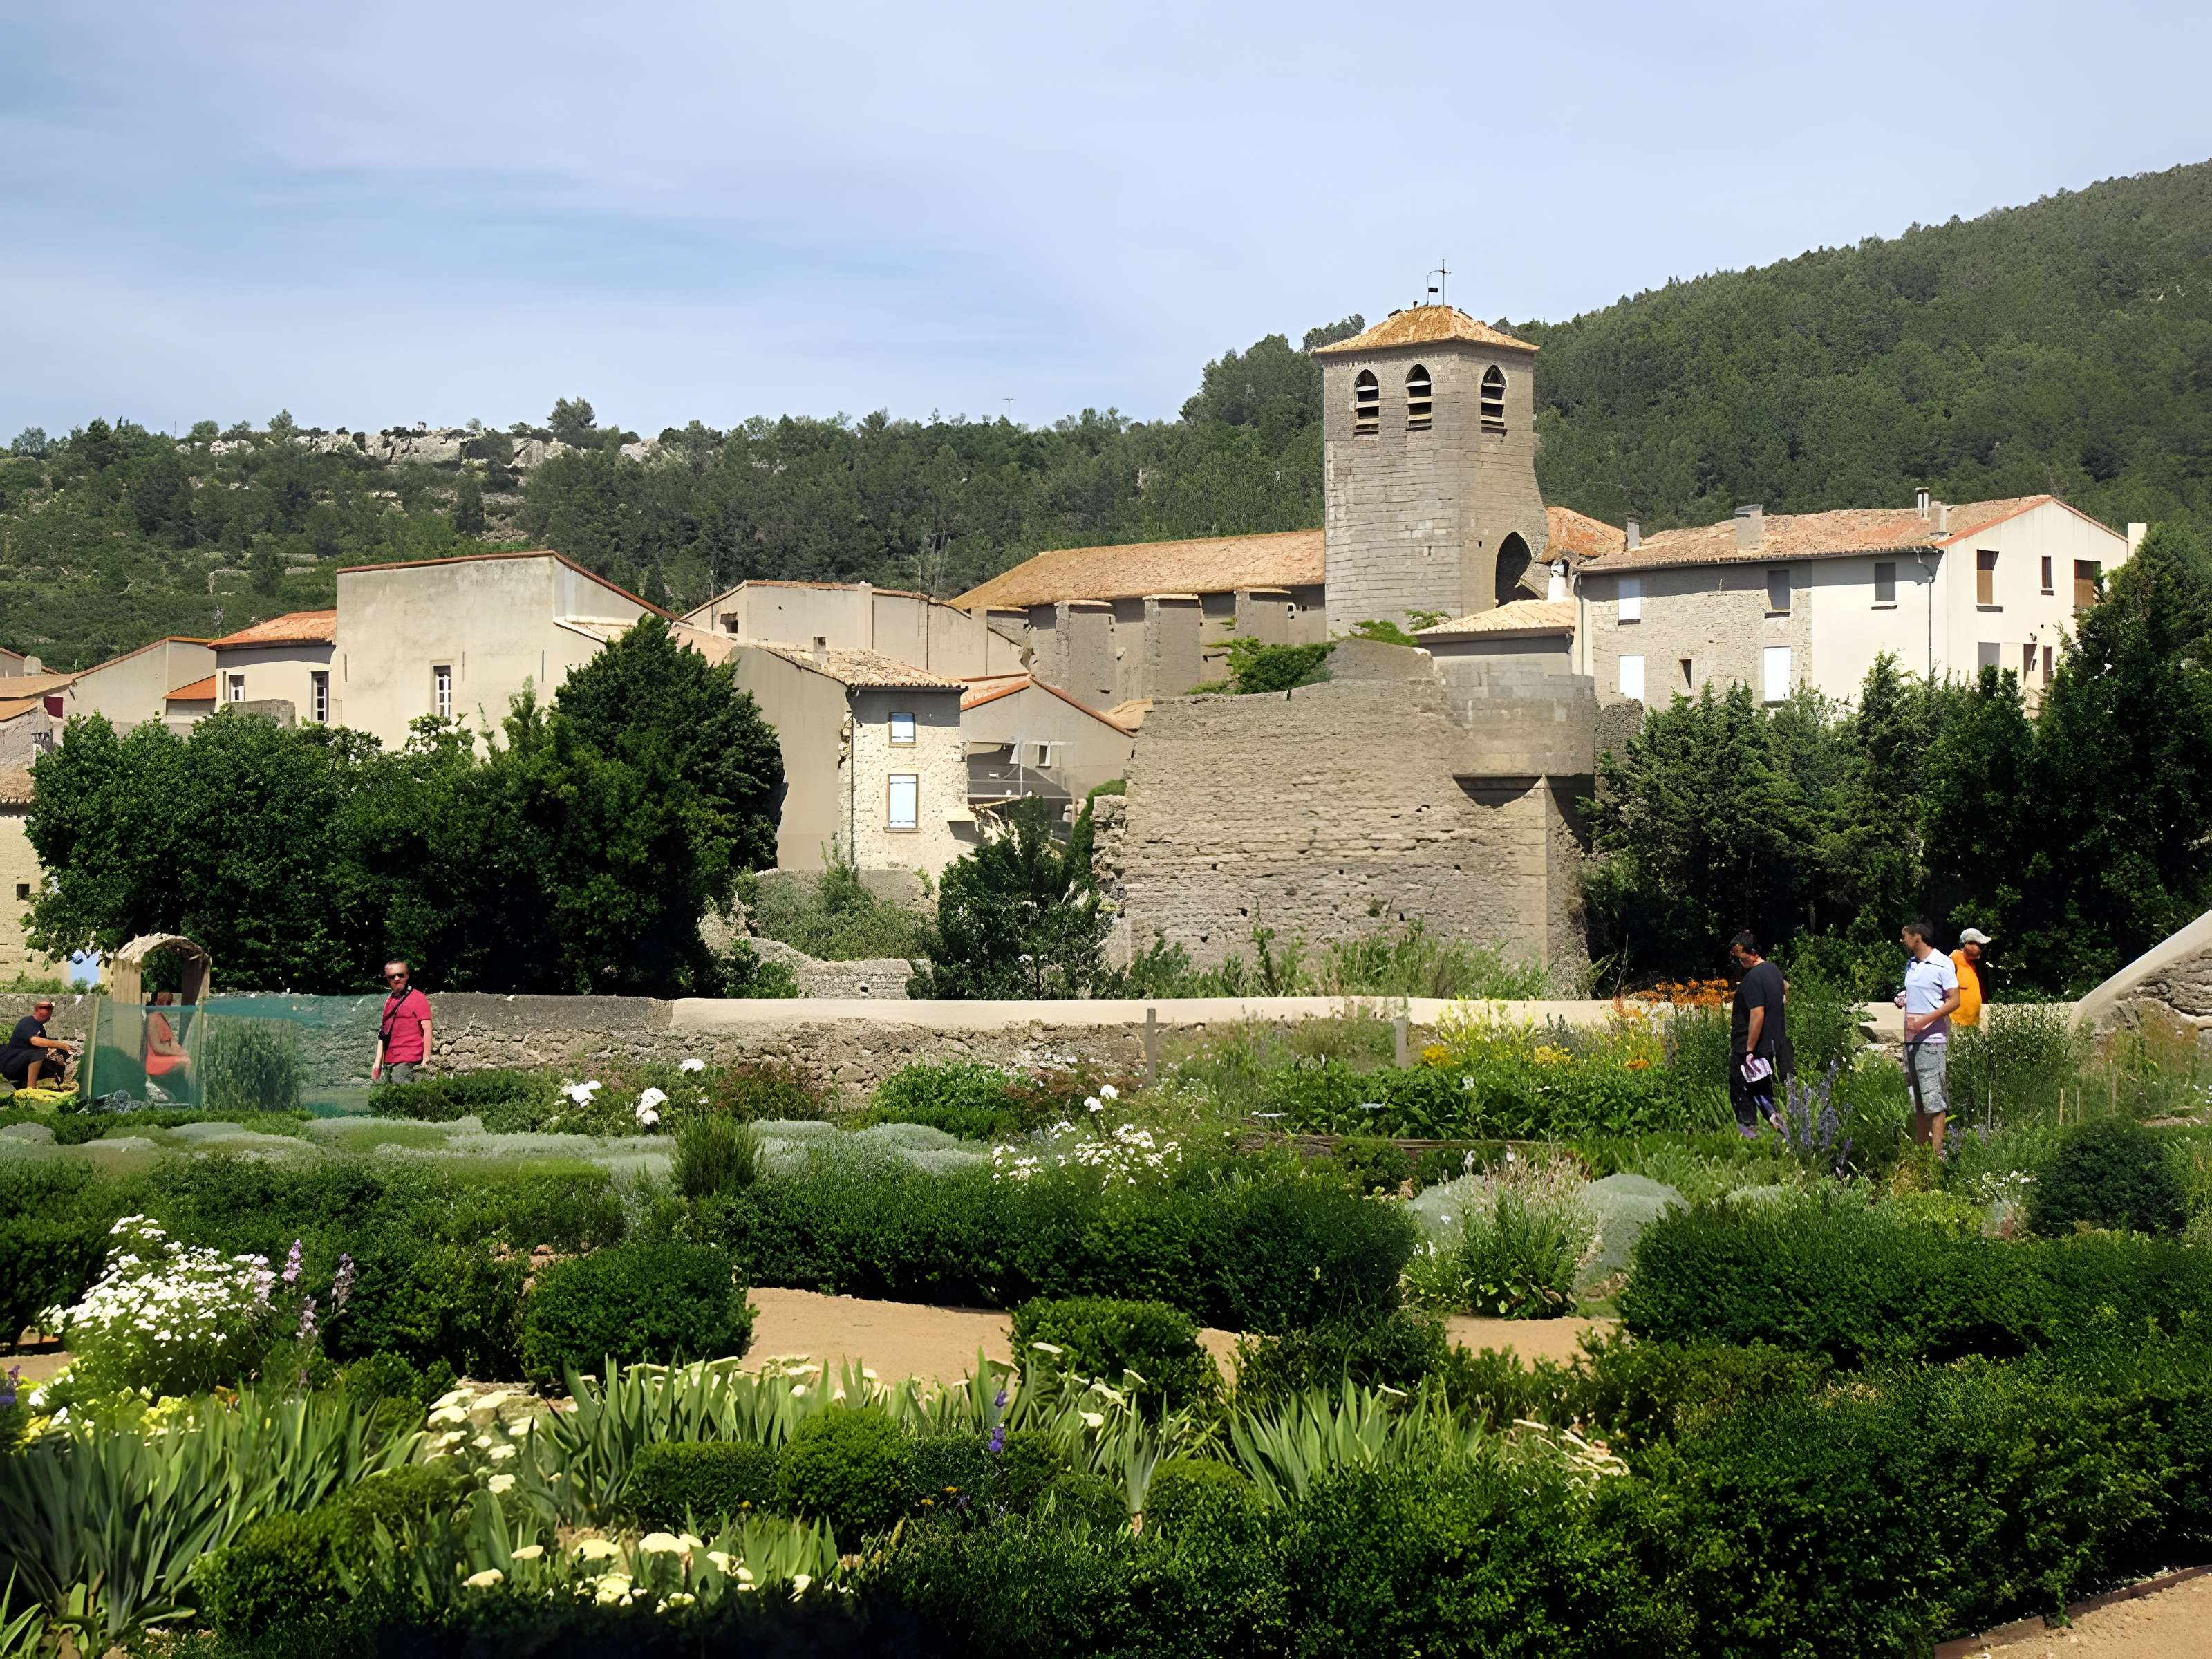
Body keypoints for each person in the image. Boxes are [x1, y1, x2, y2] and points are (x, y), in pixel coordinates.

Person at [1895, 919, 1960, 1152]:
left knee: (1934, 1102)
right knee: (1918, 1102)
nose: (1902, 941)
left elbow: (1955, 1000)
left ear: (1917, 938)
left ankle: (1935, 1159)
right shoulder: (1912, 965)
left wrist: (1923, 1021)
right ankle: (1921, 1155)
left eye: (1905, 936)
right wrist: (1904, 997)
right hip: (1911, 1042)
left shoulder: (1942, 963)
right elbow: (1922, 992)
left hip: (1932, 1043)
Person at [1727, 930, 1790, 1136]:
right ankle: (1788, 1135)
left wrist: (1749, 1050)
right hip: (1769, 1046)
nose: (1738, 960)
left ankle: (1750, 1139)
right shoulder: (1773, 971)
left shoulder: (1753, 978)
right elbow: (1785, 989)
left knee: (1742, 1095)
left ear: (1753, 953)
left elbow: (1757, 1014)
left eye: (1740, 955)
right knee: (1764, 1096)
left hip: (1749, 1049)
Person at [370, 959, 433, 1084]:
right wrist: (377, 1063)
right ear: (388, 979)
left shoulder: (418, 997)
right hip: (389, 1060)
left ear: (407, 975)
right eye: (392, 976)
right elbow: (383, 1033)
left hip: (406, 1060)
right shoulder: (389, 1000)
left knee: (401, 1097)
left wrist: (426, 1059)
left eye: (401, 975)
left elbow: (428, 1030)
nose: (397, 978)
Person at [1, 998, 77, 1090]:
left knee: (55, 1067)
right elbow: (35, 1041)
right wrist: (59, 1044)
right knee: (38, 1054)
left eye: (50, 1011)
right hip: (12, 1065)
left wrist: (57, 1060)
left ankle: (23, 1085)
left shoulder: (40, 1028)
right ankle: (31, 1090)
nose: (49, 1015)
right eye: (46, 1009)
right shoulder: (27, 1022)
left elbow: (44, 1049)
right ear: (37, 1010)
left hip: (24, 1065)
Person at [143, 991, 191, 1082]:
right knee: (186, 1062)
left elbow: (171, 1040)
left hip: (164, 1056)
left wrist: (179, 1049)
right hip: (154, 1061)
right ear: (159, 997)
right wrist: (176, 1053)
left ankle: (182, 1088)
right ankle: (186, 1091)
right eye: (167, 1002)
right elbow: (157, 1047)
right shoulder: (152, 1018)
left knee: (186, 1057)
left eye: (169, 1002)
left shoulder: (161, 1017)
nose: (168, 1005)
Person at [1950, 926, 1992, 1029]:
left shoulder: (1975, 965)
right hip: (1956, 1024)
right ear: (1967, 944)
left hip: (1973, 1023)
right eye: (1980, 945)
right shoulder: (1954, 960)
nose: (1983, 949)